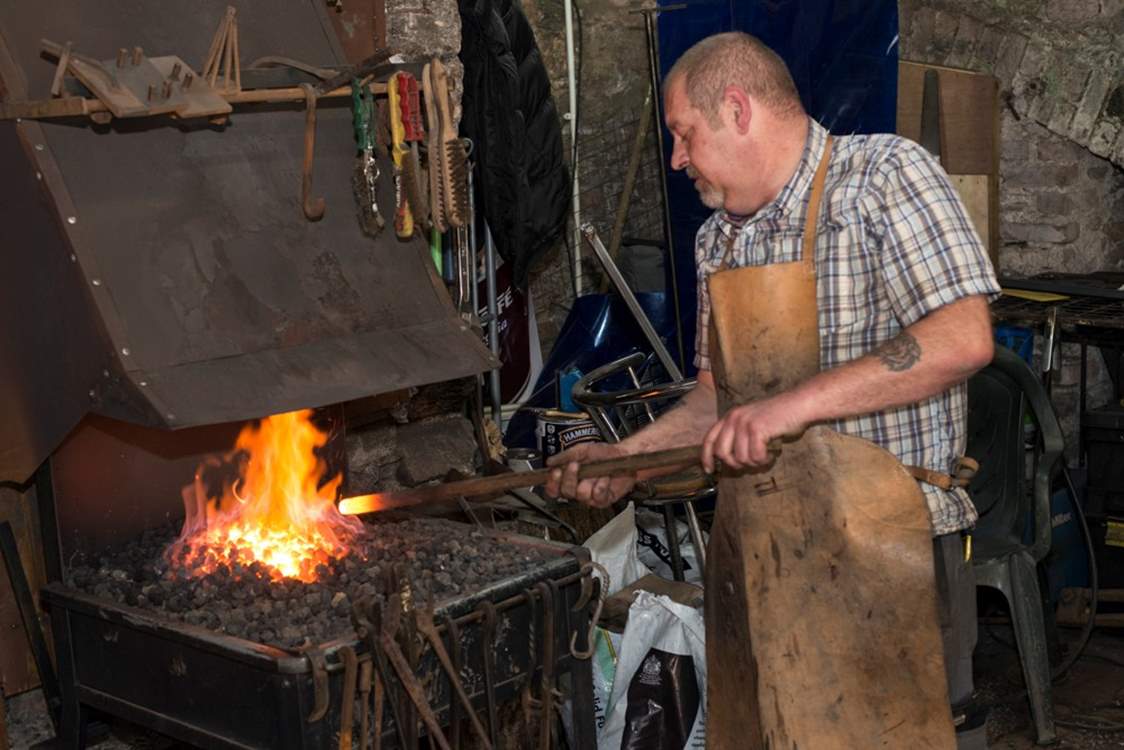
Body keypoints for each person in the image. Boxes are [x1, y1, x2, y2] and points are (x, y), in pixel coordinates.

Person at [544, 31, 999, 749]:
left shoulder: (882, 177)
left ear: (736, 108)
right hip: (763, 556)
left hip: (890, 550)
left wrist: (794, 404)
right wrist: (626, 460)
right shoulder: (718, 241)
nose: (677, 158)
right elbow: (710, 402)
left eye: (684, 134)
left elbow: (964, 337)